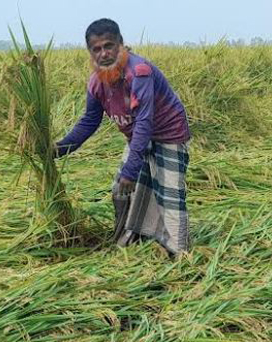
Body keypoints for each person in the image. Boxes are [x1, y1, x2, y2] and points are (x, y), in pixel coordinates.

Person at [54, 18, 193, 257]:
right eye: (96, 49)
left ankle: (179, 252)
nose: (104, 53)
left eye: (109, 46)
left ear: (121, 44)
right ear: (90, 52)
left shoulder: (139, 73)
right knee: (120, 190)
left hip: (168, 134)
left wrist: (131, 170)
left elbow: (144, 122)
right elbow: (89, 120)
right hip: (138, 136)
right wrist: (60, 148)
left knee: (168, 194)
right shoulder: (97, 82)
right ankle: (133, 237)